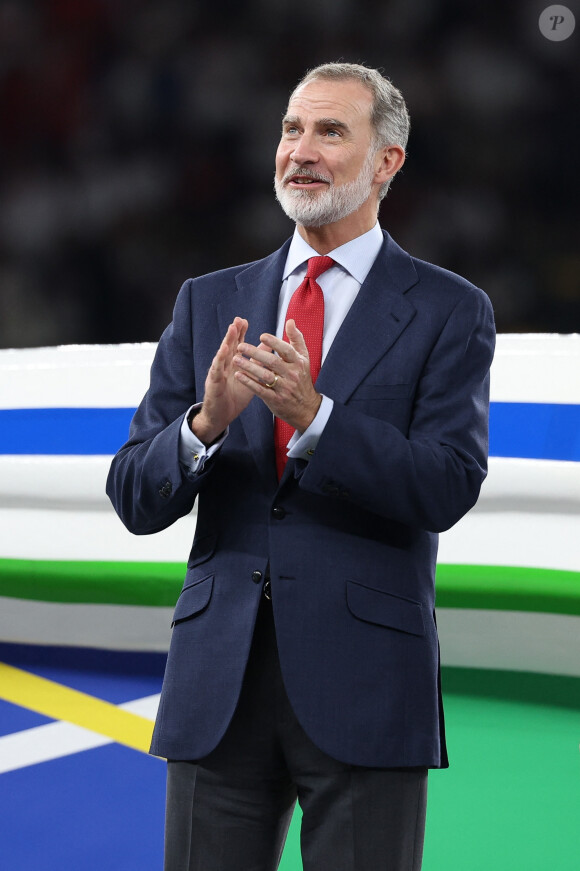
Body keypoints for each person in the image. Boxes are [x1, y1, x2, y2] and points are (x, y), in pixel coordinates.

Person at [107, 62, 495, 871]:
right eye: (291, 130)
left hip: (368, 684)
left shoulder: (448, 308)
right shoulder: (208, 301)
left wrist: (316, 418)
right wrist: (206, 424)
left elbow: (447, 483)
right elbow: (135, 495)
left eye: (330, 131)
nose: (301, 151)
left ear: (386, 161)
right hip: (218, 683)